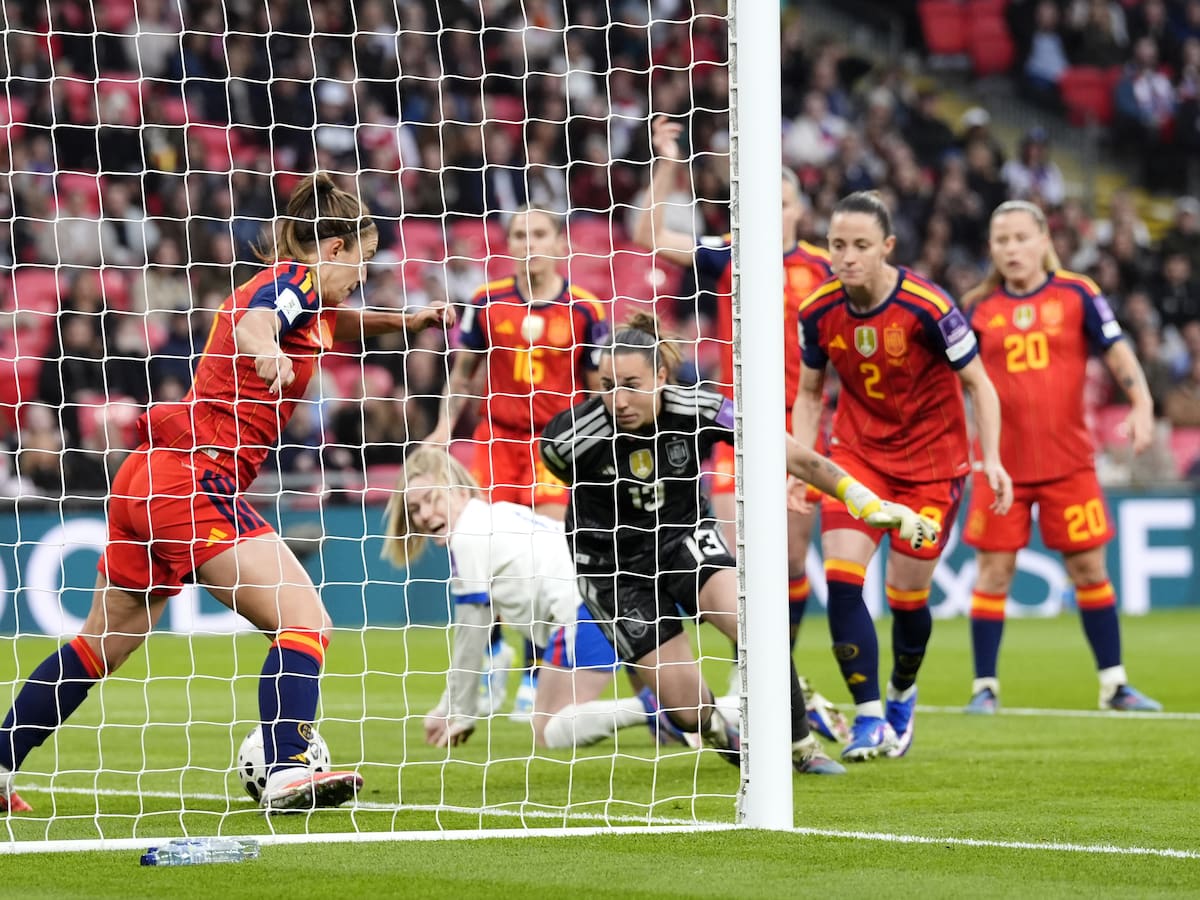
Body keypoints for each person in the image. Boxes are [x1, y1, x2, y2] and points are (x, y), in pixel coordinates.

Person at [0, 172, 452, 814]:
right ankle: (289, 766)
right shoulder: (289, 286)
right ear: (332, 249)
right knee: (305, 623)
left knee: (98, 645)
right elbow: (257, 324)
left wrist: (409, 319)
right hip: (193, 478)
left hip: (147, 478)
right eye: (362, 261)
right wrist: (266, 352)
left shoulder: (309, 298)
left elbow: (343, 325)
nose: (363, 275)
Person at [540, 314, 943, 776]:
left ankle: (801, 746)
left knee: (759, 623)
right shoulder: (567, 440)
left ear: (662, 377)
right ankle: (720, 734)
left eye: (632, 384)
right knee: (686, 708)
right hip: (613, 569)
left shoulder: (701, 407)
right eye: (608, 385)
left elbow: (791, 453)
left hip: (683, 538)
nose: (619, 399)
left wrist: (864, 501)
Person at [632, 115, 848, 743]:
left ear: (799, 210)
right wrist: (670, 162)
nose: (773, 213)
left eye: (783, 203)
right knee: (735, 558)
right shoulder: (729, 251)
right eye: (763, 202)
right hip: (734, 423)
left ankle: (770, 677)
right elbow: (648, 233)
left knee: (788, 558)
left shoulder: (825, 270)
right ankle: (743, 682)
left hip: (802, 423)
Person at [793, 190, 1014, 762]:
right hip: (858, 459)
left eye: (861, 246)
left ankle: (900, 693)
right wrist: (799, 462)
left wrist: (990, 457)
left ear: (887, 247)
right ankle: (867, 719)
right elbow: (811, 392)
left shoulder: (927, 306)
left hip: (932, 470)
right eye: (838, 244)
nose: (847, 257)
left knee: (906, 598)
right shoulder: (817, 311)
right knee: (843, 582)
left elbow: (980, 386)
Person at [960, 200, 1162, 714]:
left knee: (1090, 570)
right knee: (994, 574)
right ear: (991, 247)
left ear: (1044, 240)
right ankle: (985, 687)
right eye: (1001, 240)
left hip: (1068, 463)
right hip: (1000, 467)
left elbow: (1117, 352)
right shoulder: (976, 307)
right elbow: (955, 383)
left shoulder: (1078, 293)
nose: (1011, 249)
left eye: (1020, 238)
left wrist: (1141, 401)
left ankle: (1115, 685)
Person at [427, 206, 609, 719]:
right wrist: (444, 428)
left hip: (557, 444)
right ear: (508, 243)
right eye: (520, 234)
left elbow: (597, 392)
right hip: (496, 439)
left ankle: (534, 673)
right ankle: (489, 659)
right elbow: (463, 375)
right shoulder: (486, 302)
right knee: (473, 544)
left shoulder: (585, 309)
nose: (530, 243)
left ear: (560, 243)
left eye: (540, 233)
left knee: (548, 552)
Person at [383, 447, 692, 750]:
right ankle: (683, 713)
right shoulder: (500, 513)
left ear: (460, 492)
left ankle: (650, 709)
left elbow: (471, 633)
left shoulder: (467, 537)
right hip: (624, 592)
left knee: (548, 731)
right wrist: (447, 707)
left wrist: (460, 713)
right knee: (683, 724)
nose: (424, 515)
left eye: (431, 499)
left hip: (588, 609)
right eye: (414, 508)